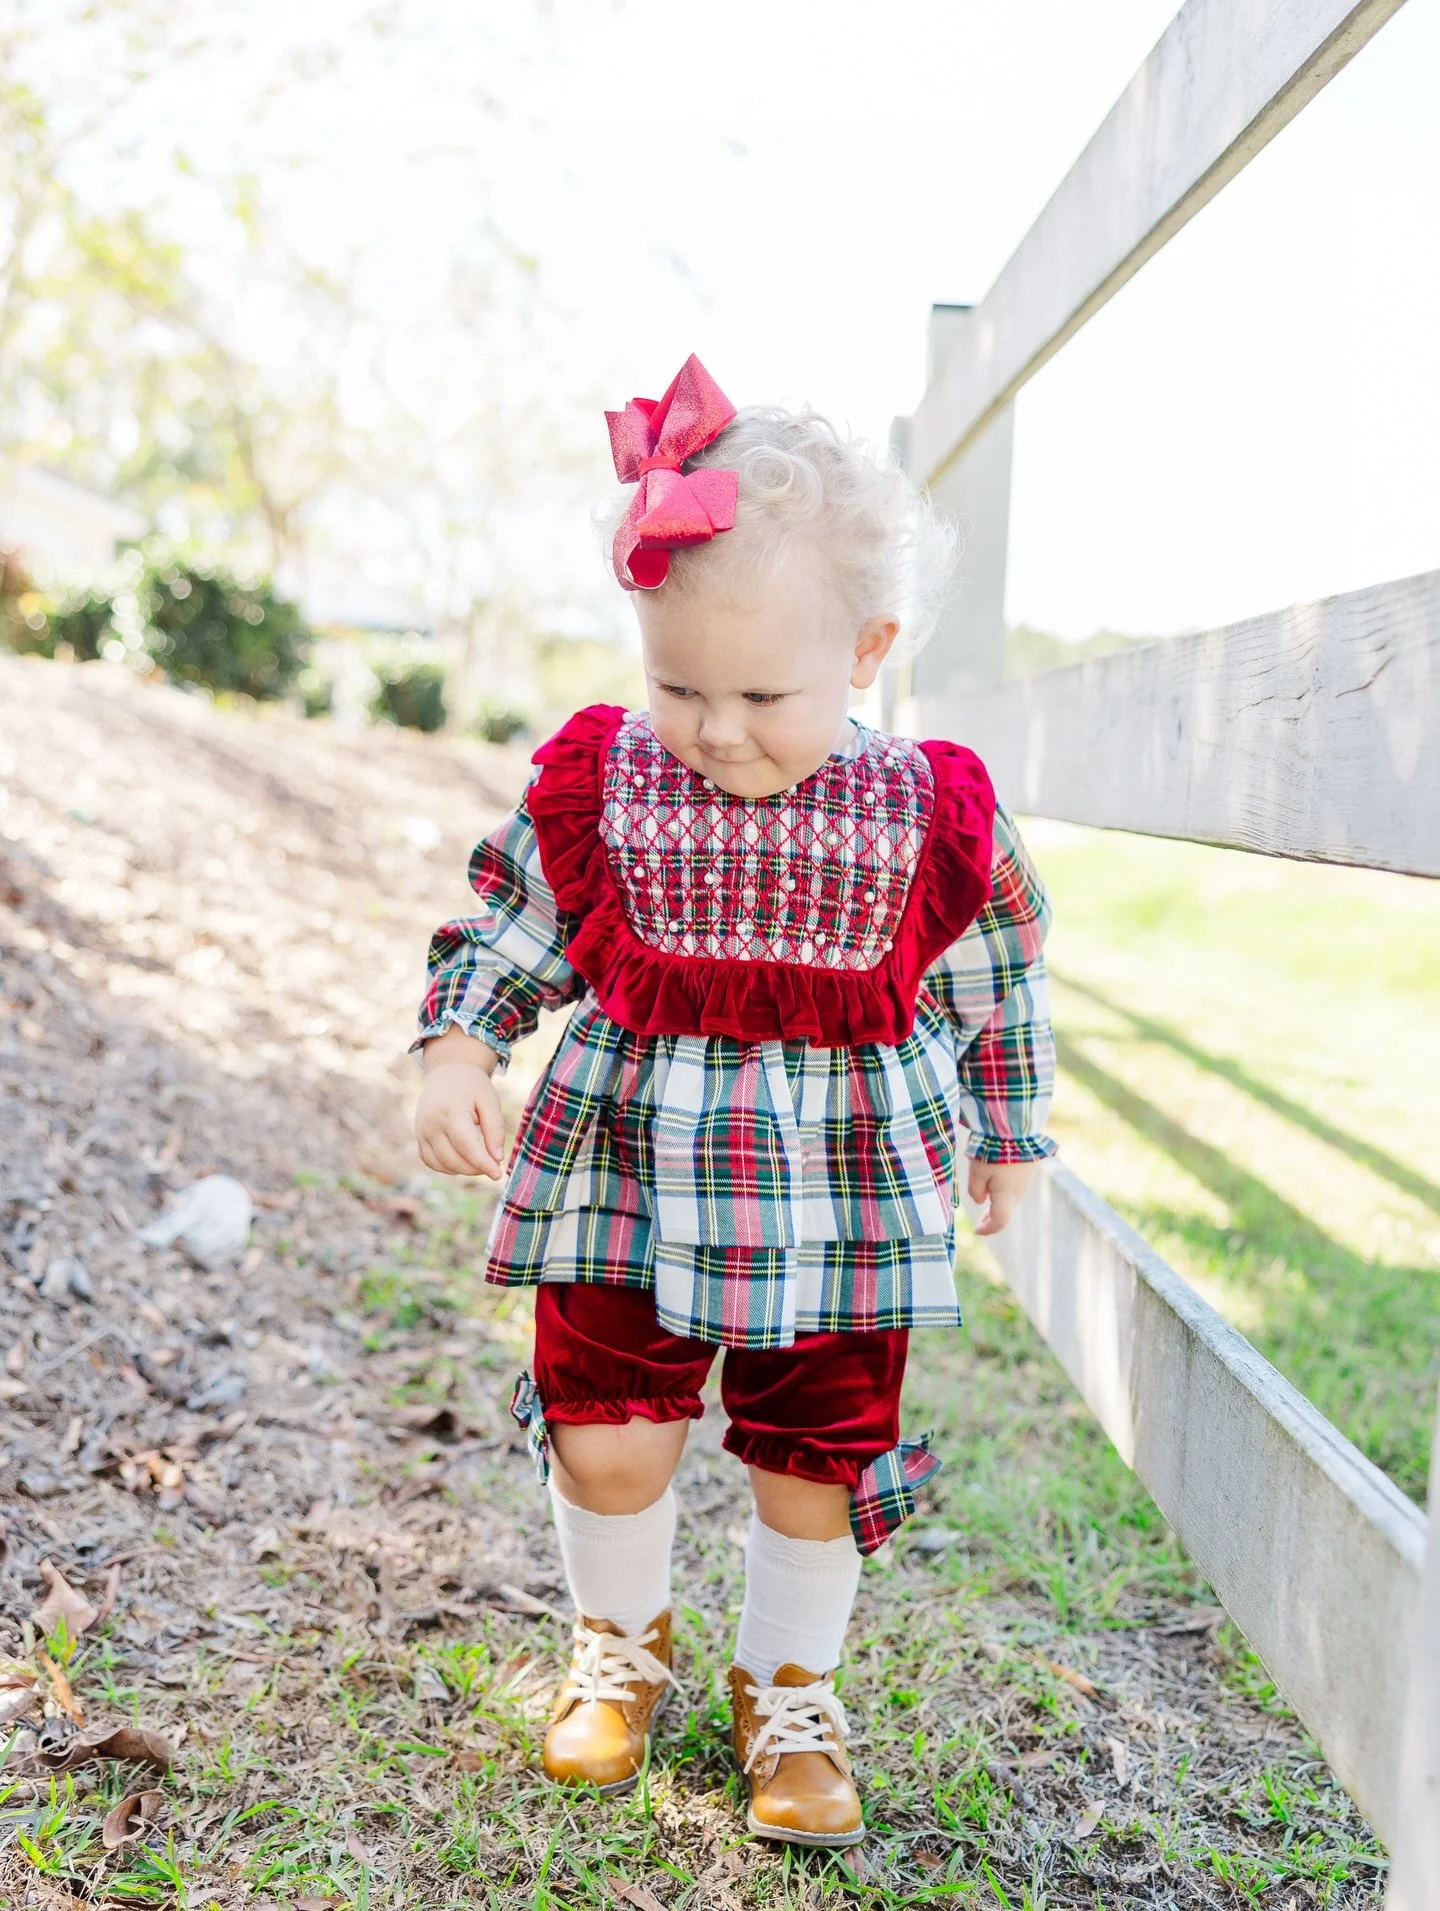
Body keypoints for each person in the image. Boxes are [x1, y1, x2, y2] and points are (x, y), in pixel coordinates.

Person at [412, 355, 1056, 1848]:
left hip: (839, 1194)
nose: (714, 727)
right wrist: (461, 1045)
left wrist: (1010, 1131)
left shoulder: (927, 811)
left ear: (868, 648)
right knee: (609, 1426)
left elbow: (998, 971)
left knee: (809, 1453)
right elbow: (511, 919)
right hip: (628, 1173)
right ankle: (618, 1646)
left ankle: (789, 1690)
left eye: (763, 692)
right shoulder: (606, 784)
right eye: (677, 681)